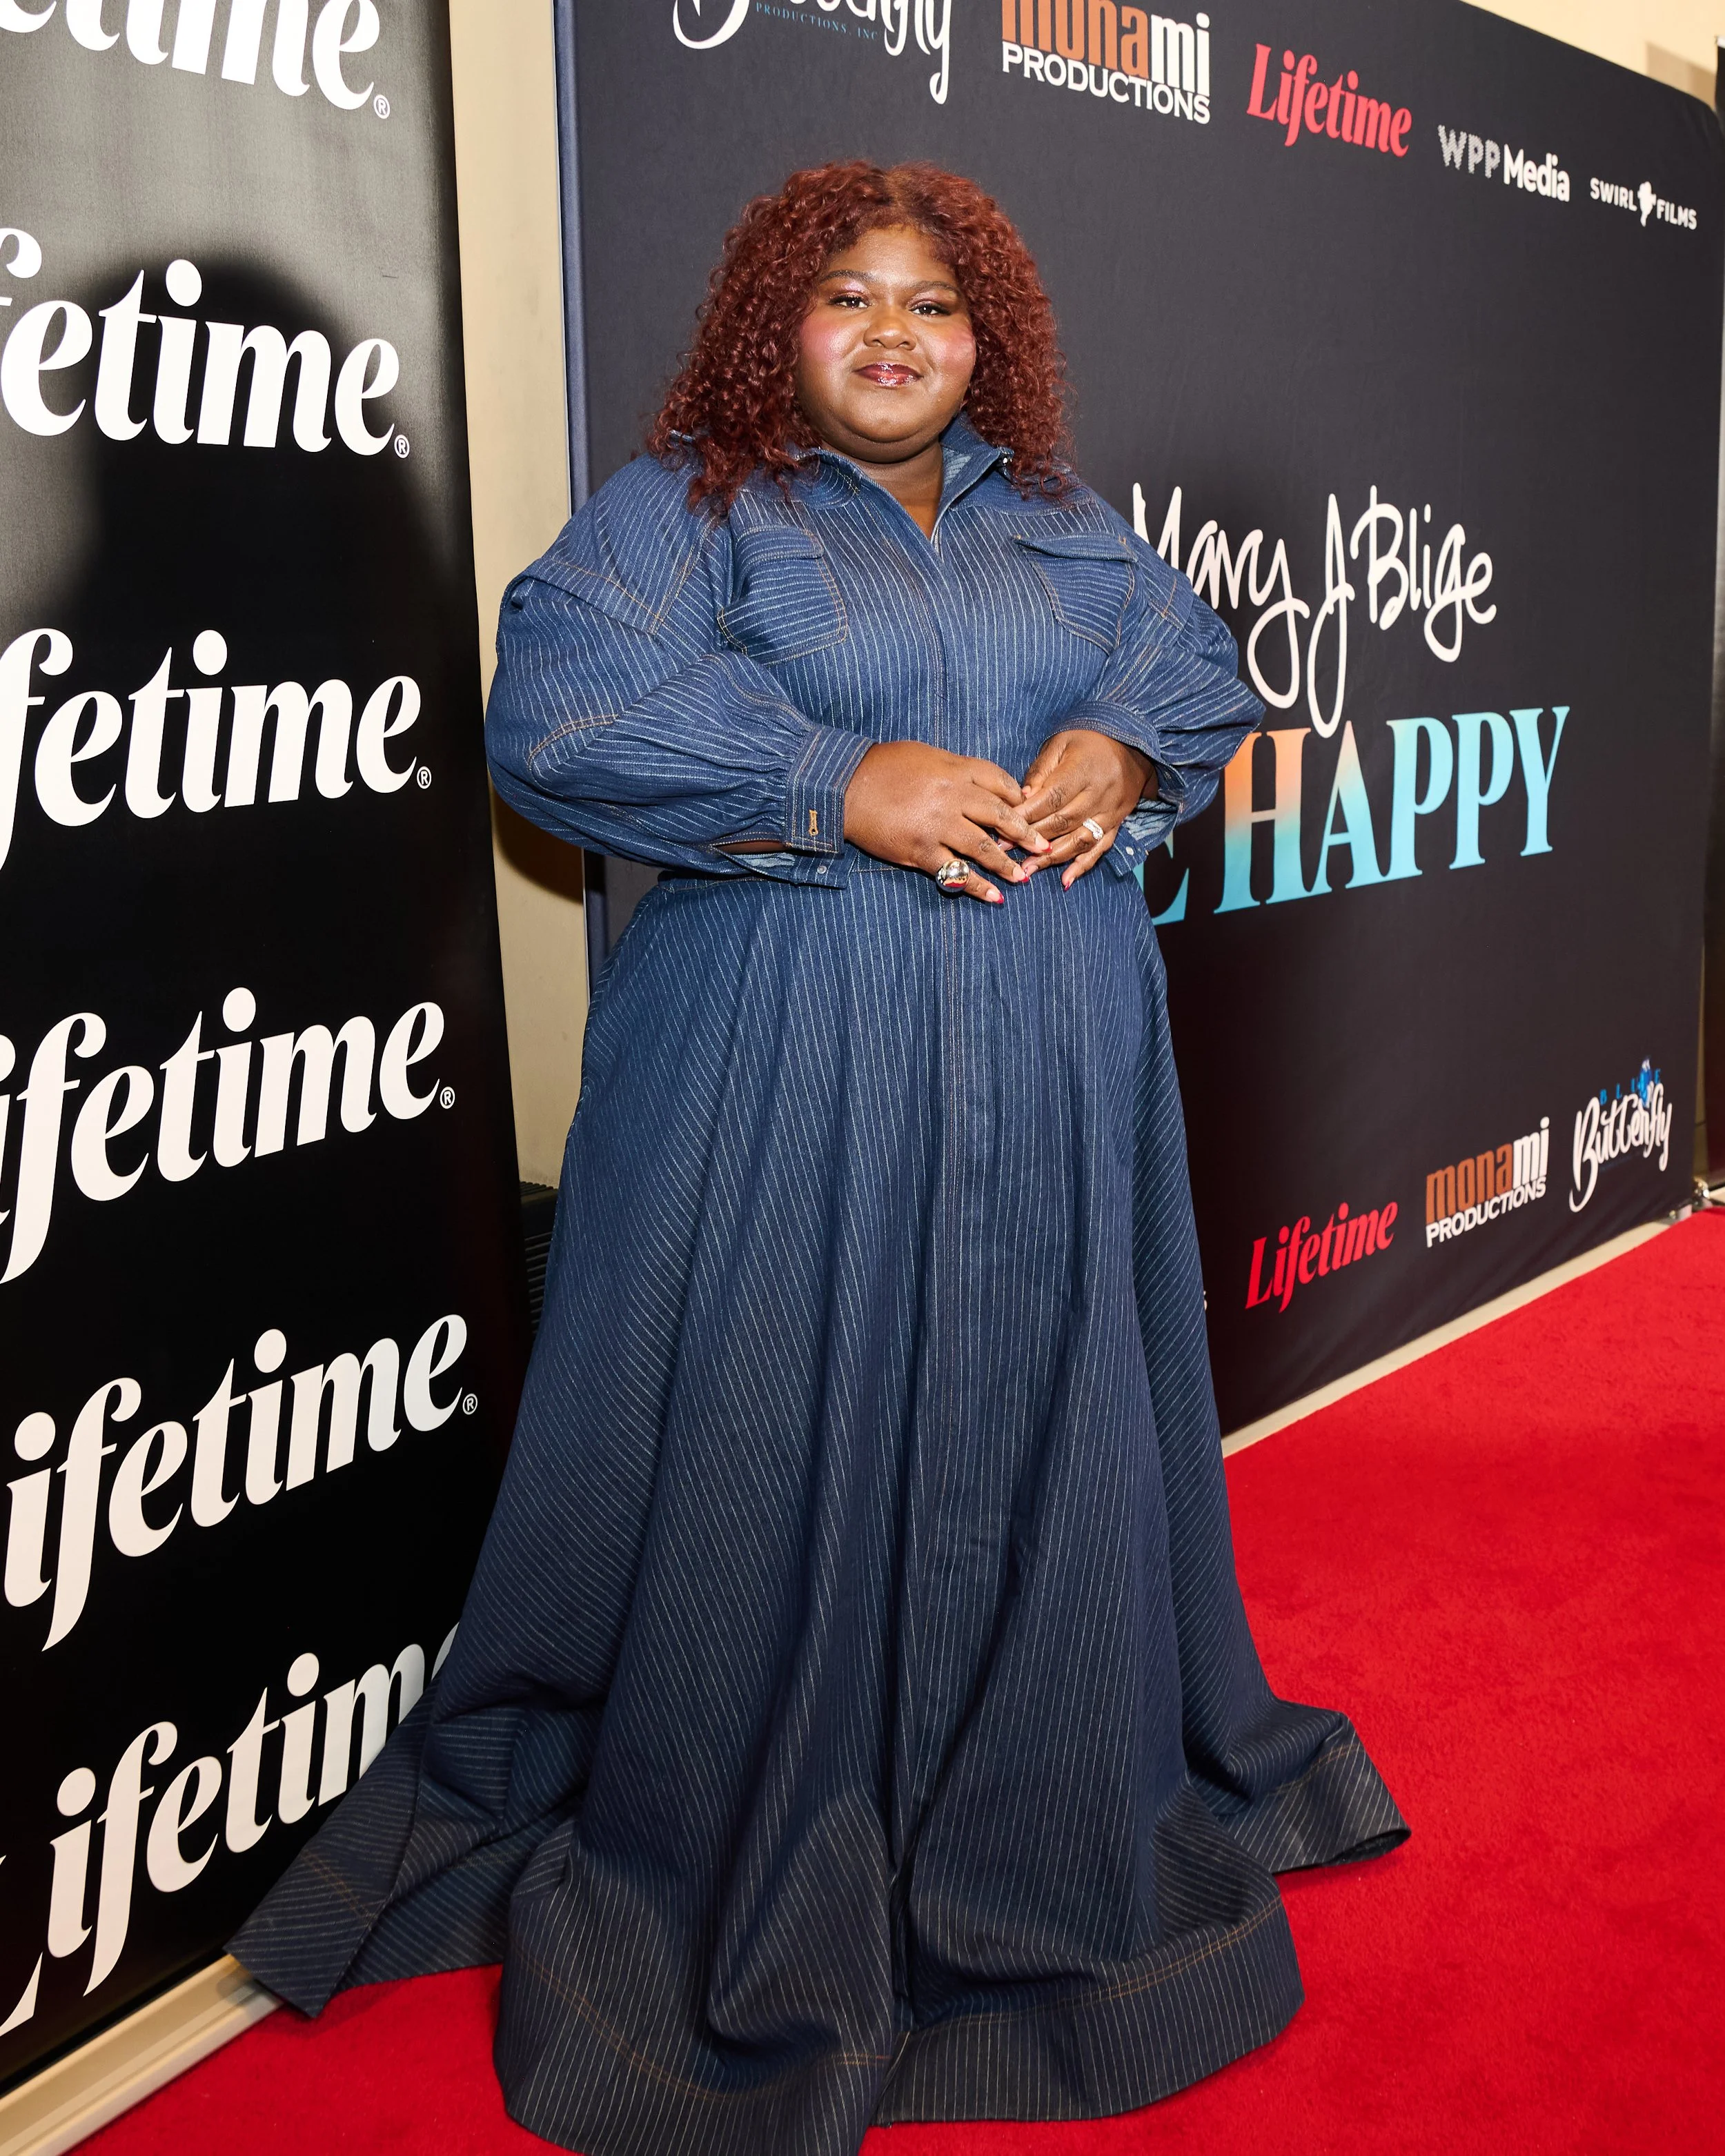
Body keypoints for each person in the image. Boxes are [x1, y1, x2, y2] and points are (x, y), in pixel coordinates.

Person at [233, 161, 1406, 2156]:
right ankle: (756, 1857)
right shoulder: (686, 506)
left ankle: (1036, 1829)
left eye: (933, 305)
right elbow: (556, 712)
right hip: (775, 1081)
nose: (892, 333)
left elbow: (1194, 667)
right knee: (774, 1428)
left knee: (1029, 1436)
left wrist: (1126, 747)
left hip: (1051, 1073)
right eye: (847, 296)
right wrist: (827, 777)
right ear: (774, 317)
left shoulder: (1056, 520)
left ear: (988, 338)